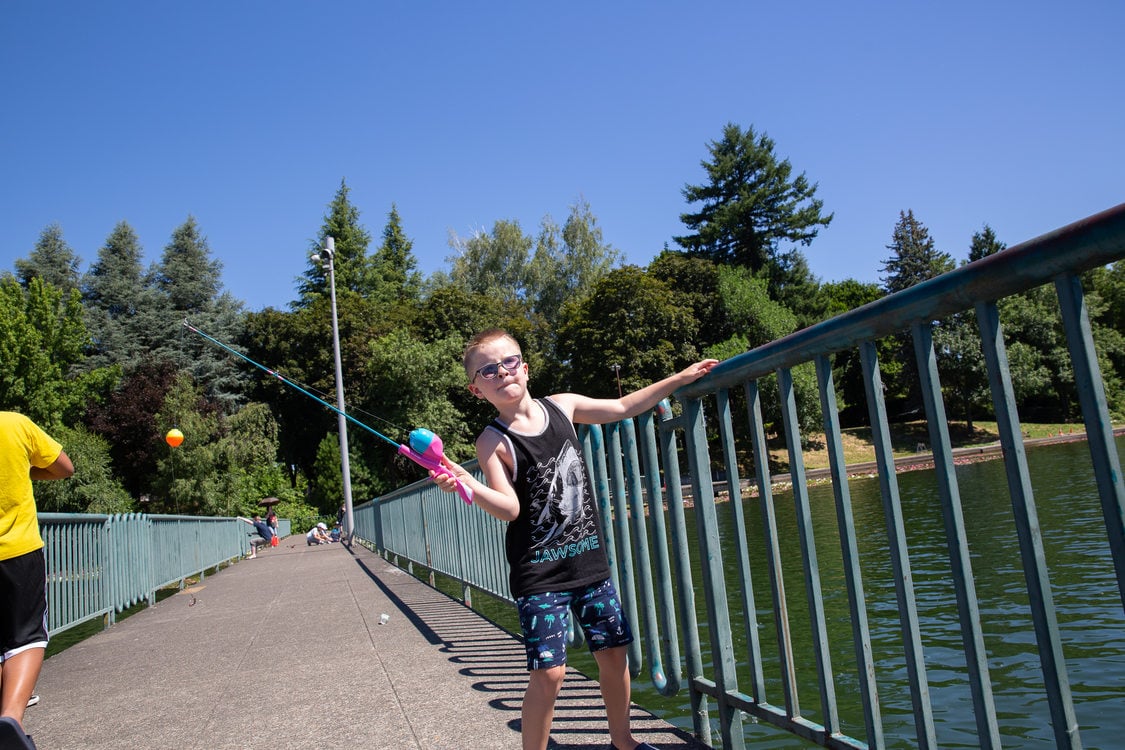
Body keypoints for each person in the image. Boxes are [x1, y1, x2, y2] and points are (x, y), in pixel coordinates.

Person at [430, 329, 717, 750]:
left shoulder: (562, 406)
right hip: (540, 575)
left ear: (525, 368)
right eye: (487, 370)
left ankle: (623, 741)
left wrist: (677, 378)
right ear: (476, 389)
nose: (502, 373)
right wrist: (463, 483)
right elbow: (509, 509)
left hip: (588, 564)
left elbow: (621, 406)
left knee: (614, 653)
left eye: (509, 362)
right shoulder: (492, 441)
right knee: (550, 673)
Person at [0, 412, 74, 749]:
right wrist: (24, 469)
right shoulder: (14, 425)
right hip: (17, 551)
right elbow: (64, 468)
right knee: (26, 637)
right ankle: (10, 720)